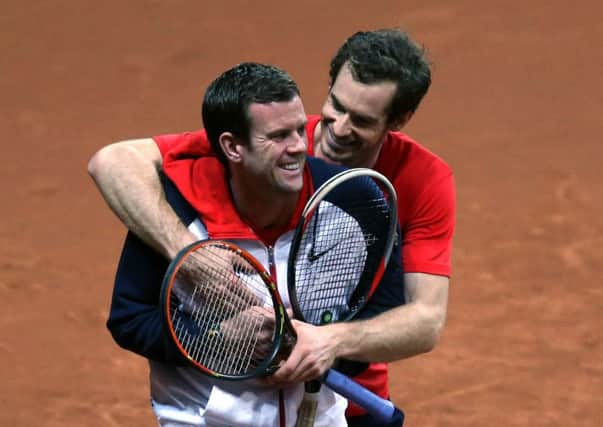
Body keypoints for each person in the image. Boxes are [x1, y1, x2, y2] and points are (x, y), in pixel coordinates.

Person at [89, 29, 454, 427]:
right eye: (335, 105)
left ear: (398, 121)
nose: (328, 131)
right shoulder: (241, 151)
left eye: (362, 120)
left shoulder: (381, 197)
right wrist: (190, 259)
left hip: (340, 388)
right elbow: (113, 161)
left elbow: (422, 321)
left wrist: (328, 344)